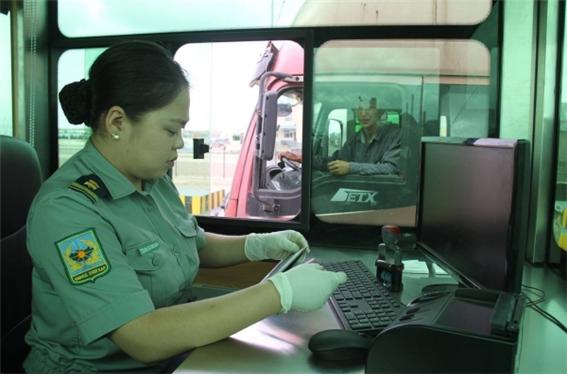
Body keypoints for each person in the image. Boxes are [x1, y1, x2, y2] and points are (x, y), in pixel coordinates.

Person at [23, 41, 346, 373]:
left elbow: (193, 243)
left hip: (176, 354)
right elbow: (142, 336)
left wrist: (257, 244)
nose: (179, 142)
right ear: (117, 122)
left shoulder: (153, 178)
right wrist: (280, 293)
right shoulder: (67, 210)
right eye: (170, 129)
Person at [281, 97, 401, 176]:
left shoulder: (394, 135)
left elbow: (391, 169)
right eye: (359, 109)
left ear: (380, 112)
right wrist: (302, 159)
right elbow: (335, 162)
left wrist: (350, 168)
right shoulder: (355, 138)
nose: (363, 113)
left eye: (370, 108)